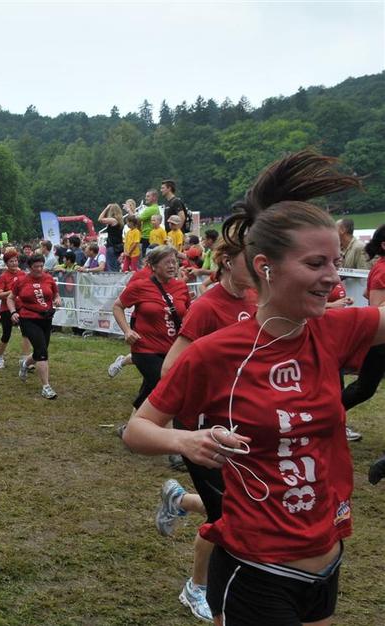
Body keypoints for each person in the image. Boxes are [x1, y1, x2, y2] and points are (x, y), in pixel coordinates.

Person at [123, 150, 373, 626]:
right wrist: (186, 440)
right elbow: (138, 429)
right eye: (316, 263)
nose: (333, 277)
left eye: (336, 262)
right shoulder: (216, 352)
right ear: (266, 266)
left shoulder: (335, 331)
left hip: (326, 561)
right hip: (257, 570)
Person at [152, 231, 258, 622]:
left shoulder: (255, 300)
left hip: (243, 423)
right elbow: (170, 369)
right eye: (252, 259)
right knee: (226, 518)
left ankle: (179, 500)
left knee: (243, 505)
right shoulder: (206, 307)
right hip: (204, 429)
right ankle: (196, 587)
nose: (261, 267)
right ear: (228, 261)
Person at [112, 245, 190, 428]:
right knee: (166, 388)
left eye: (175, 262)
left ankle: (130, 429)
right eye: (167, 262)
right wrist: (127, 331)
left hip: (172, 350)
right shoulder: (140, 286)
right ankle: (170, 438)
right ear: (154, 266)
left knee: (149, 390)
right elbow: (117, 306)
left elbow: (187, 313)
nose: (172, 266)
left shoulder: (181, 286)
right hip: (145, 349)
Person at [340, 223, 385, 441]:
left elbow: (367, 292)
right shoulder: (383, 270)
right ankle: (326, 415)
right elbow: (376, 306)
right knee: (364, 389)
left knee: (364, 388)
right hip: (380, 340)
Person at [8, 253, 62, 399]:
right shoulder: (21, 281)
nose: (39, 269)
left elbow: (56, 294)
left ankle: (25, 364)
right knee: (42, 352)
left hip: (46, 318)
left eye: (41, 266)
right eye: (35, 266)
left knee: (40, 351)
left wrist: (57, 300)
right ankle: (46, 387)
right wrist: (13, 312)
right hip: (28, 318)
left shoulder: (49, 278)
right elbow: (10, 298)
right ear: (29, 267)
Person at [0, 248, 31, 369]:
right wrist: (12, 292)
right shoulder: (3, 277)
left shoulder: (23, 274)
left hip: (21, 307)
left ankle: (25, 359)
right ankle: (0, 356)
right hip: (7, 309)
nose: (14, 263)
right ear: (6, 263)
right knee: (6, 334)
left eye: (16, 261)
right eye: (11, 261)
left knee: (26, 333)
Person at [98, 203, 125, 272]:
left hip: (112, 246)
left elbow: (100, 219)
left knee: (111, 268)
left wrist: (106, 208)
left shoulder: (113, 220)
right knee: (116, 267)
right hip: (119, 247)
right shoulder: (120, 221)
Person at [139, 189, 162, 256]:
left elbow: (137, 219)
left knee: (146, 257)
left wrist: (129, 210)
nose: (146, 198)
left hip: (147, 236)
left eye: (148, 196)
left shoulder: (151, 209)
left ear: (154, 197)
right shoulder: (155, 208)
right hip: (150, 236)